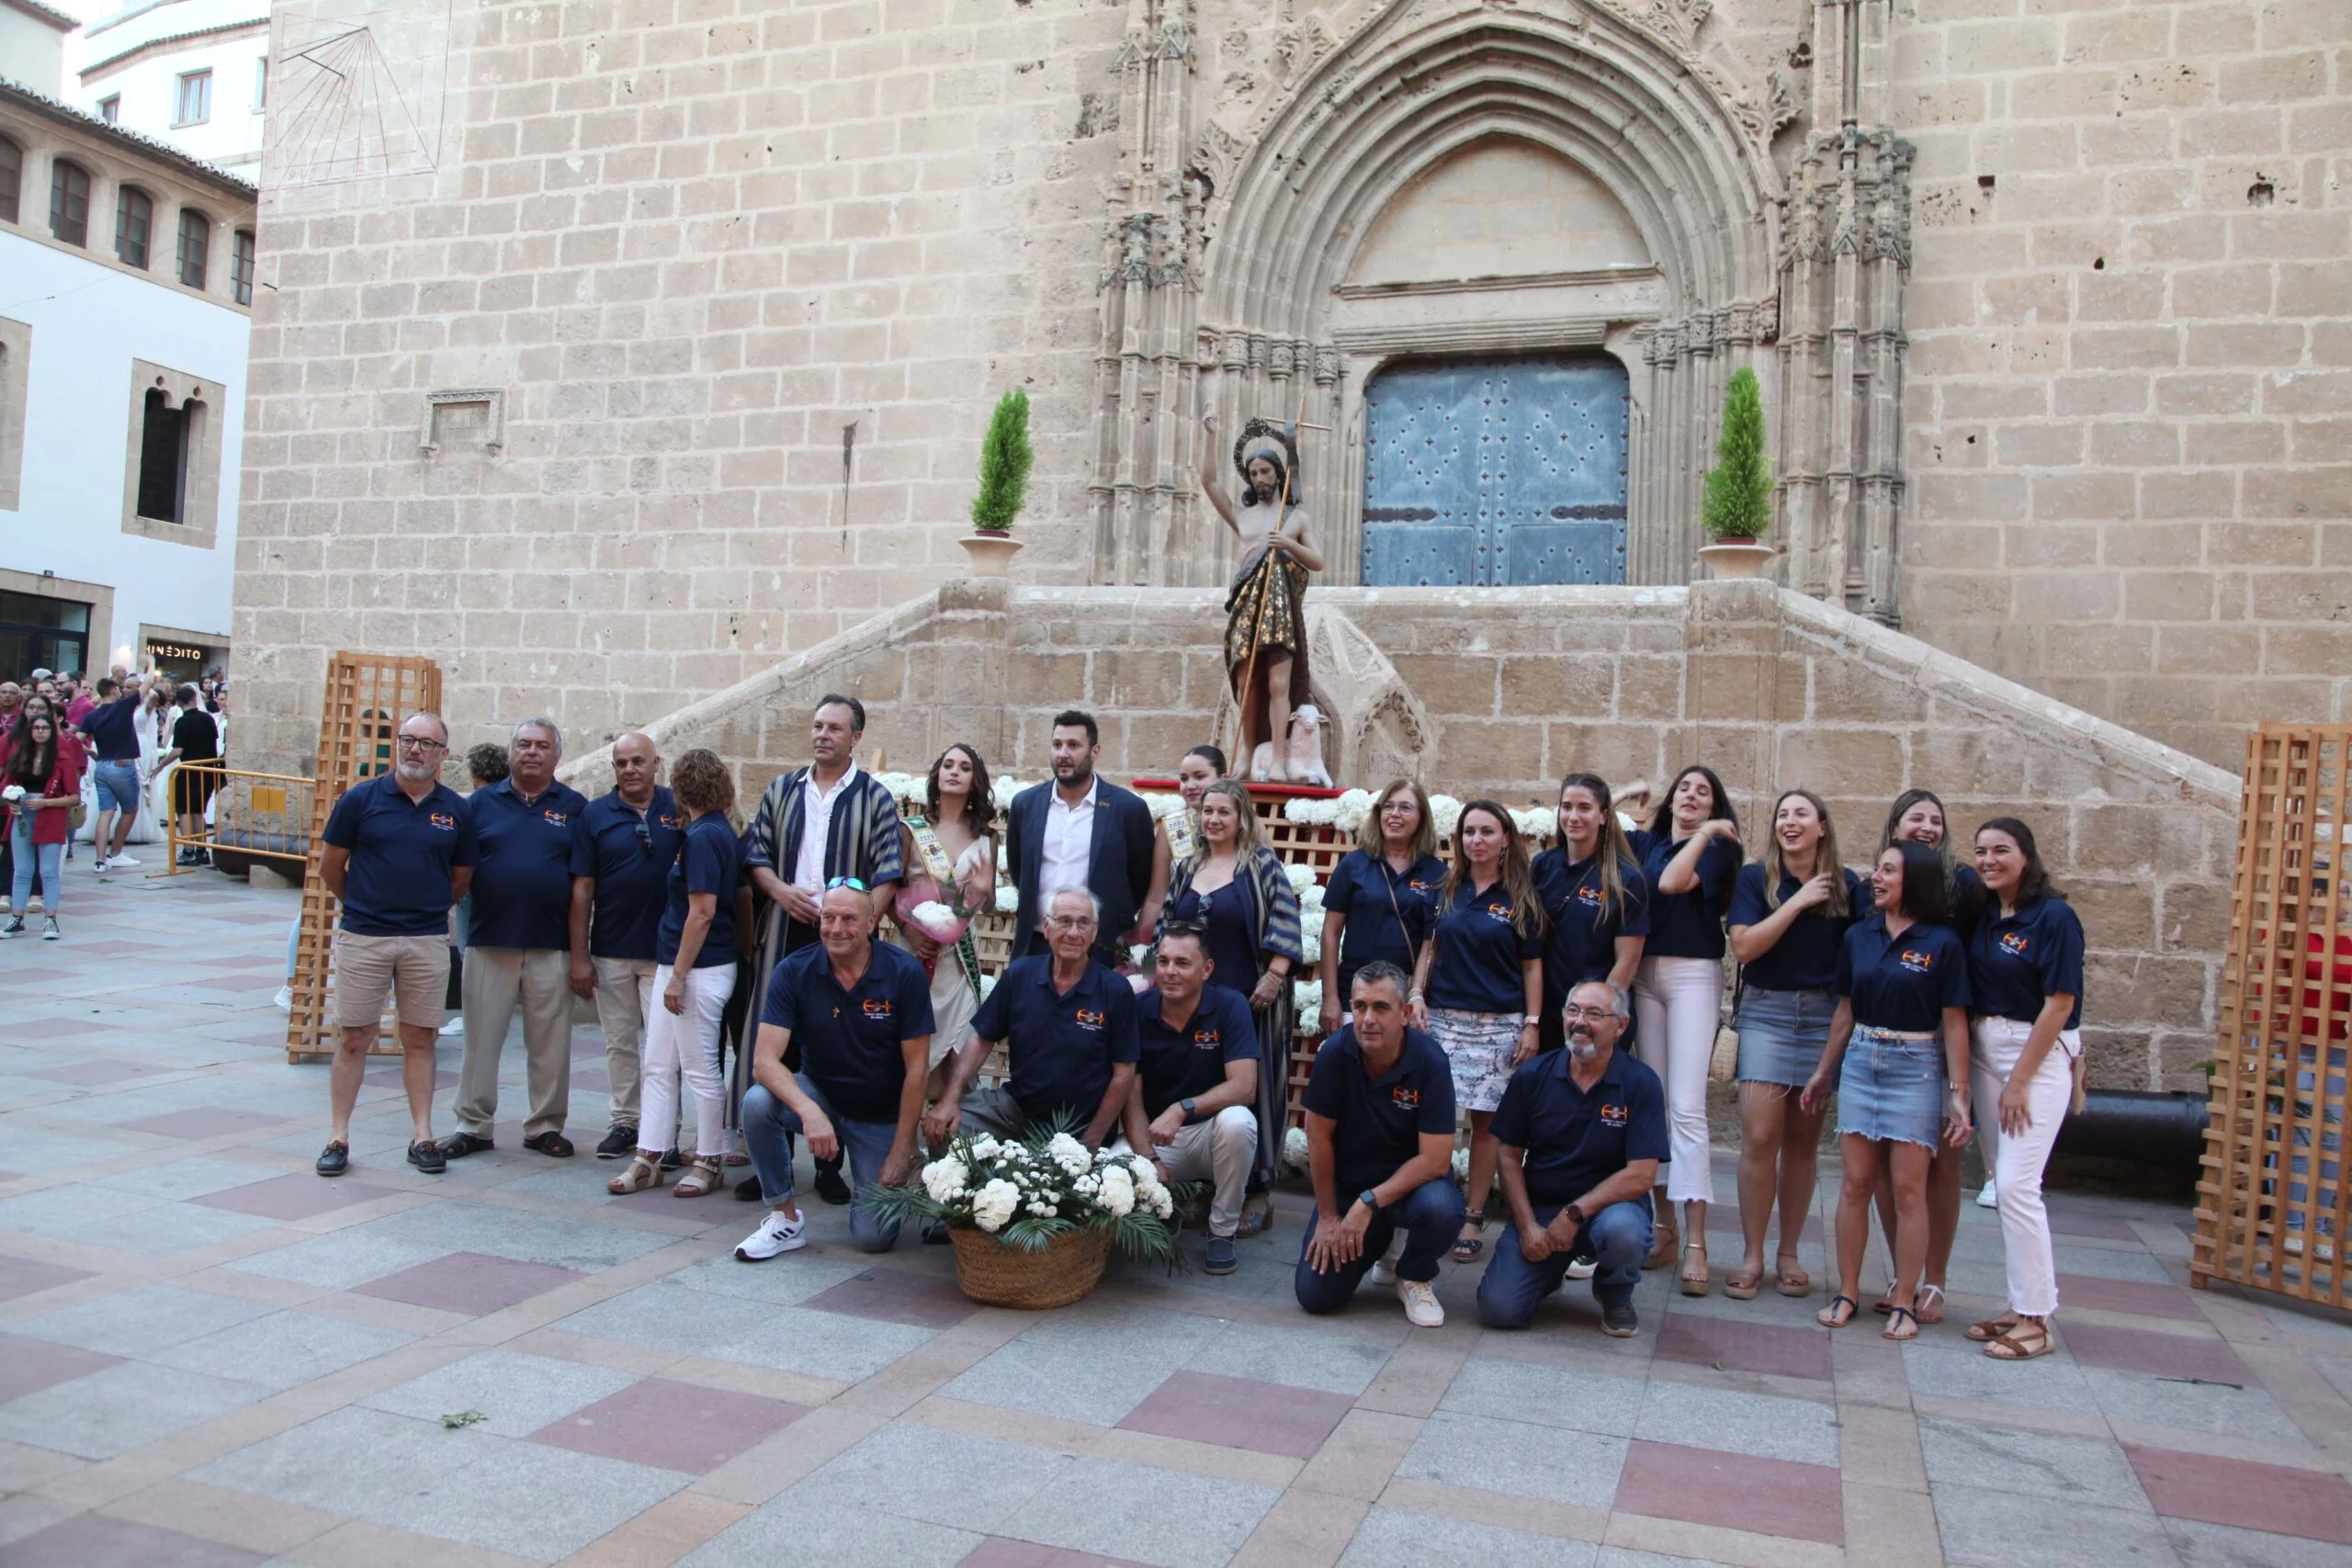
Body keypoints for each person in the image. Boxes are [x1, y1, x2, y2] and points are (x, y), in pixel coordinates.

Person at [1804, 840, 1973, 1340]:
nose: (1876, 878)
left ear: (1913, 880)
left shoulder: (1942, 943)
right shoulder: (1860, 936)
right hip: (1861, 1059)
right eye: (1877, 869)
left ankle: (1904, 1295)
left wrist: (1958, 1092)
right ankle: (1849, 1290)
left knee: (1907, 1188)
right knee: (1855, 1182)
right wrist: (1822, 1071)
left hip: (1916, 1064)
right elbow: (1845, 1011)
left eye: (1888, 871)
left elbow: (1955, 1022)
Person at [737, 694, 903, 1198]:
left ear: (855, 738)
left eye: (834, 728)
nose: (822, 735)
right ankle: (772, 1162)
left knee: (839, 1046)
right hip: (786, 931)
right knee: (771, 1041)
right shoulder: (783, 789)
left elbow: (888, 871)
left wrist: (862, 921)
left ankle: (832, 1168)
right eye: (817, 726)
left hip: (846, 937)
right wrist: (780, 891)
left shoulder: (875, 798)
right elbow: (757, 855)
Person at [315, 713, 477, 1177]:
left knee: (420, 1037)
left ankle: (424, 1135)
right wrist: (365, 907)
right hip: (365, 937)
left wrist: (424, 910)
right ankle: (338, 1136)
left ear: (444, 755)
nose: (415, 750)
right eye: (407, 740)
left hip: (426, 939)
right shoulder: (361, 800)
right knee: (353, 1037)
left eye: (427, 744)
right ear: (395, 745)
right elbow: (331, 868)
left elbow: (462, 877)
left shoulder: (455, 810)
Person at [735, 883, 934, 1258]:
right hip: (821, 1097)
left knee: (873, 1240)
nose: (836, 928)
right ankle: (784, 1218)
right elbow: (763, 1061)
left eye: (849, 919)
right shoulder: (794, 969)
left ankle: (905, 1171)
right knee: (758, 1102)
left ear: (872, 923)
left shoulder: (903, 972)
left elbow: (917, 1071)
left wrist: (902, 1148)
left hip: (879, 1114)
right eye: (828, 918)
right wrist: (809, 1112)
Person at [1724, 789, 1862, 1300]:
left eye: (1801, 814)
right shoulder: (1755, 879)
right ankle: (1752, 1255)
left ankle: (1789, 1254)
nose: (1790, 821)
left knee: (1803, 1143)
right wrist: (1799, 901)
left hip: (1825, 1017)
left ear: (1822, 826)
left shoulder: (1849, 887)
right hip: (1767, 1013)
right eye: (1783, 814)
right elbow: (1744, 946)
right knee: (1760, 1137)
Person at [1477, 980, 1668, 1337]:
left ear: (1621, 1026)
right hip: (1542, 1210)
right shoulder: (1535, 1075)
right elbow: (1508, 1156)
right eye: (1573, 1011)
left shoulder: (1640, 1083)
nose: (1579, 1022)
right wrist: (1528, 1226)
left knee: (1624, 1231)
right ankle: (1547, 1275)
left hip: (1610, 1211)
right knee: (1499, 1311)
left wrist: (1574, 1213)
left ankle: (1614, 1293)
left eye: (1594, 1014)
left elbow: (1642, 1175)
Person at [434, 720, 586, 1161]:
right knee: (481, 1039)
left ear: (556, 757)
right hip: (489, 940)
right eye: (524, 745)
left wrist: (580, 955)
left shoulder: (574, 807)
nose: (532, 753)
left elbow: (583, 882)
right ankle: (473, 1125)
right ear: (510, 753)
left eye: (542, 746)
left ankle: (545, 1125)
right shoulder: (478, 805)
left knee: (551, 1043)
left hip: (550, 943)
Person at [1963, 818, 2084, 1361]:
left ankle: (2037, 1320)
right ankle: (2019, 1307)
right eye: (1982, 851)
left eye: (2001, 851)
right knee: (2001, 1182)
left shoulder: (2054, 917)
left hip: (2032, 1059)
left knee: (2017, 1186)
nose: (1990, 860)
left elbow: (2058, 1003)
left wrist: (2019, 1081)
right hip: (1986, 1052)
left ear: (2027, 856)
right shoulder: (1988, 915)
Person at [1158, 778, 1300, 1235]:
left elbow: (1285, 919)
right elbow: (1166, 924)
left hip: (1249, 1000)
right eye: (1208, 811)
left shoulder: (1260, 865)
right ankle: (1210, 1188)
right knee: (1203, 1086)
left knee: (1251, 1093)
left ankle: (1257, 1190)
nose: (1213, 819)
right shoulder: (1188, 866)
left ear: (1241, 819)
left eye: (1224, 812)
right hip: (1194, 1005)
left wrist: (1273, 977)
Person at [1408, 799, 1543, 1265]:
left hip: (1498, 1025)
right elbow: (1429, 948)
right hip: (1444, 1017)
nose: (1477, 840)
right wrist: (1416, 995)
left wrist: (1532, 1023)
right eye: (1469, 832)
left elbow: (1532, 967)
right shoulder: (1447, 890)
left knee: (1487, 1124)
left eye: (1487, 831)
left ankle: (1471, 1215)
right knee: (1435, 1116)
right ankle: (1433, 1206)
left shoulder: (1521, 895)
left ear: (1506, 838)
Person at [1873, 787, 1990, 1318]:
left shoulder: (1963, 886)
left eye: (1936, 820)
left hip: (1944, 1035)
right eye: (1915, 818)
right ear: (1894, 827)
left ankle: (1934, 1280)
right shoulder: (1875, 884)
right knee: (1883, 1162)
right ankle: (1902, 1273)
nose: (1927, 827)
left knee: (1942, 1163)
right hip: (1887, 1040)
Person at [1295, 962, 1464, 1325]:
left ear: (1405, 1014)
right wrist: (1328, 1217)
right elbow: (1318, 1138)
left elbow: (1435, 1160)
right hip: (1349, 1187)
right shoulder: (1334, 1055)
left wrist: (1369, 1202)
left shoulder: (1430, 1062)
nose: (1367, 1018)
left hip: (1412, 1188)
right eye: (1359, 1007)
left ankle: (1414, 1272)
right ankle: (1381, 1241)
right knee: (1316, 1297)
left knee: (1441, 1208)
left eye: (1381, 1008)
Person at [1627, 763, 1741, 1294]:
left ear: (1714, 808)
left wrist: (1706, 833)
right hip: (1645, 975)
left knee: (1688, 1106)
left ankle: (1696, 1239)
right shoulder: (1647, 843)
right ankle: (1663, 1228)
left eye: (1705, 792)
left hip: (1693, 974)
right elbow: (1583, 817)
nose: (1693, 796)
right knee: (1653, 1100)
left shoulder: (1716, 849)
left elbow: (1674, 884)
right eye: (1685, 789)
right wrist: (1633, 795)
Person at [611, 748, 742, 1197]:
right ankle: (649, 1153)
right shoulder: (713, 830)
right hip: (681, 964)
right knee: (657, 1064)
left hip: (697, 969)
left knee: (699, 1066)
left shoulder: (704, 837)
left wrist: (679, 976)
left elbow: (702, 912)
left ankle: (709, 1159)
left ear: (682, 789)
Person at [925, 886, 1140, 1148]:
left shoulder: (1115, 990)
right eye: (1064, 921)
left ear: (1094, 932)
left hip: (1078, 1125)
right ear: (1046, 928)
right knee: (944, 1128)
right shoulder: (1021, 974)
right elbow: (982, 1040)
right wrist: (950, 1099)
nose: (1074, 932)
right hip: (1015, 1110)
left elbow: (1124, 1074)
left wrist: (1092, 1139)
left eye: (1084, 923)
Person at [569, 732, 687, 1160]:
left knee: (664, 1045)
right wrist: (579, 955)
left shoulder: (679, 807)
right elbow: (582, 889)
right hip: (611, 950)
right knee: (619, 1043)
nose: (630, 770)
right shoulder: (594, 814)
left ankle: (665, 1132)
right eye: (621, 763)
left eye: (638, 761)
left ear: (657, 762)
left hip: (665, 953)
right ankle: (625, 1123)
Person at [1121, 925, 1261, 1274]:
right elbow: (1131, 1098)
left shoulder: (1230, 1005)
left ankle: (1222, 1230)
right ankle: (1167, 1204)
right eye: (1164, 961)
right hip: (1157, 1137)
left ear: (1207, 969)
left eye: (1183, 963)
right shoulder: (1138, 1010)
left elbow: (1245, 1086)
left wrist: (1183, 1108)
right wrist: (1148, 1158)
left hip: (1211, 1136)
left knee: (1239, 1122)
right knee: (1115, 1166)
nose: (1170, 972)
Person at [1198, 416, 1324, 782]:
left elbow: (1319, 562)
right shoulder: (1243, 516)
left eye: (1266, 471)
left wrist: (1287, 543)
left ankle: (1281, 760)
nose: (1260, 479)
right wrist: (1211, 434)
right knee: (1245, 683)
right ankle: (1247, 756)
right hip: (1248, 604)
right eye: (1254, 473)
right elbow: (1208, 482)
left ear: (1278, 474)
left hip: (1280, 608)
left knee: (1278, 685)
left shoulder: (1296, 516)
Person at [1006, 709, 1168, 970]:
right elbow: (1020, 870)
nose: (1063, 754)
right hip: (1036, 945)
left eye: (1073, 745)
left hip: (1099, 950)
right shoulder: (1026, 805)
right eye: (1057, 745)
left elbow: (1138, 882)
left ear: (1095, 751)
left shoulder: (1127, 809)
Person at [889, 743, 997, 1109]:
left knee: (956, 1044)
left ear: (974, 779)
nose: (954, 771)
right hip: (915, 950)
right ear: (937, 775)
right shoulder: (911, 829)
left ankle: (951, 1131)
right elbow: (891, 891)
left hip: (959, 959)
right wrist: (911, 933)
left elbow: (990, 901)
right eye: (948, 765)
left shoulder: (987, 837)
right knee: (908, 1041)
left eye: (964, 767)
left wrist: (984, 890)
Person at [1531, 773, 1650, 1056]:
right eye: (1567, 806)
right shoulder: (1542, 865)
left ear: (1604, 816)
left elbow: (1629, 959)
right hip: (1547, 1012)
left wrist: (1595, 1014)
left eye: (1584, 808)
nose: (1573, 816)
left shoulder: (1625, 879)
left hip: (1594, 1018)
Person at [1317, 779, 1446, 1038]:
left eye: (1405, 808)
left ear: (1422, 818)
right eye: (1388, 807)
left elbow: (1430, 943)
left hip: (1402, 998)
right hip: (1354, 994)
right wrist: (1330, 997)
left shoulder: (1436, 873)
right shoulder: (1354, 865)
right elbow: (1330, 933)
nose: (1395, 814)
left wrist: (1416, 994)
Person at [2, 711, 82, 939]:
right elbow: (6, 787)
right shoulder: (20, 756)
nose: (40, 732)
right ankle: (17, 918)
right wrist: (11, 802)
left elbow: (74, 796)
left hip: (50, 816)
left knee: (48, 871)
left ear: (52, 731)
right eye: (36, 728)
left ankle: (50, 919)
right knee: (22, 870)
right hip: (22, 817)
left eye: (44, 728)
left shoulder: (62, 759)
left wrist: (47, 802)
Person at [75, 677, 146, 873]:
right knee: (130, 809)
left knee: (106, 812)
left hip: (102, 765)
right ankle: (115, 853)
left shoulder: (92, 715)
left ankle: (100, 860)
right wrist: (151, 663)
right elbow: (147, 684)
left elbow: (74, 740)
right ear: (114, 690)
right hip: (122, 764)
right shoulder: (123, 706)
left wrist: (90, 752)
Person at [155, 683, 222, 866]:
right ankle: (201, 849)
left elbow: (178, 750)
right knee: (198, 809)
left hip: (189, 770)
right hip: (207, 770)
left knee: (183, 809)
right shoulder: (208, 719)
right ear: (194, 699)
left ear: (178, 702)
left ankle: (188, 850)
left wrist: (160, 766)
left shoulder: (183, 722)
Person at [1168, 743, 1227, 863]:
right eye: (1184, 779)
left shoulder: (1247, 823)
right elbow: (1159, 881)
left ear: (1222, 780)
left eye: (1199, 777)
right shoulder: (1171, 825)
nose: (1190, 786)